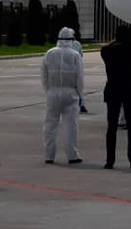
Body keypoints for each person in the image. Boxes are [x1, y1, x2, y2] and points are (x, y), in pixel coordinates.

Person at [101, 26, 131, 169]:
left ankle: (110, 161)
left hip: (113, 90)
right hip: (130, 90)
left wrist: (115, 41)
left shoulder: (107, 51)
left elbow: (106, 47)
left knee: (111, 127)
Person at [41, 27, 84, 165]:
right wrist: (80, 93)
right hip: (70, 92)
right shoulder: (75, 54)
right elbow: (80, 77)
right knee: (71, 126)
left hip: (53, 91)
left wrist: (48, 90)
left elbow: (44, 75)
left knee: (50, 125)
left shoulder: (49, 53)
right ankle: (73, 155)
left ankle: (49, 155)